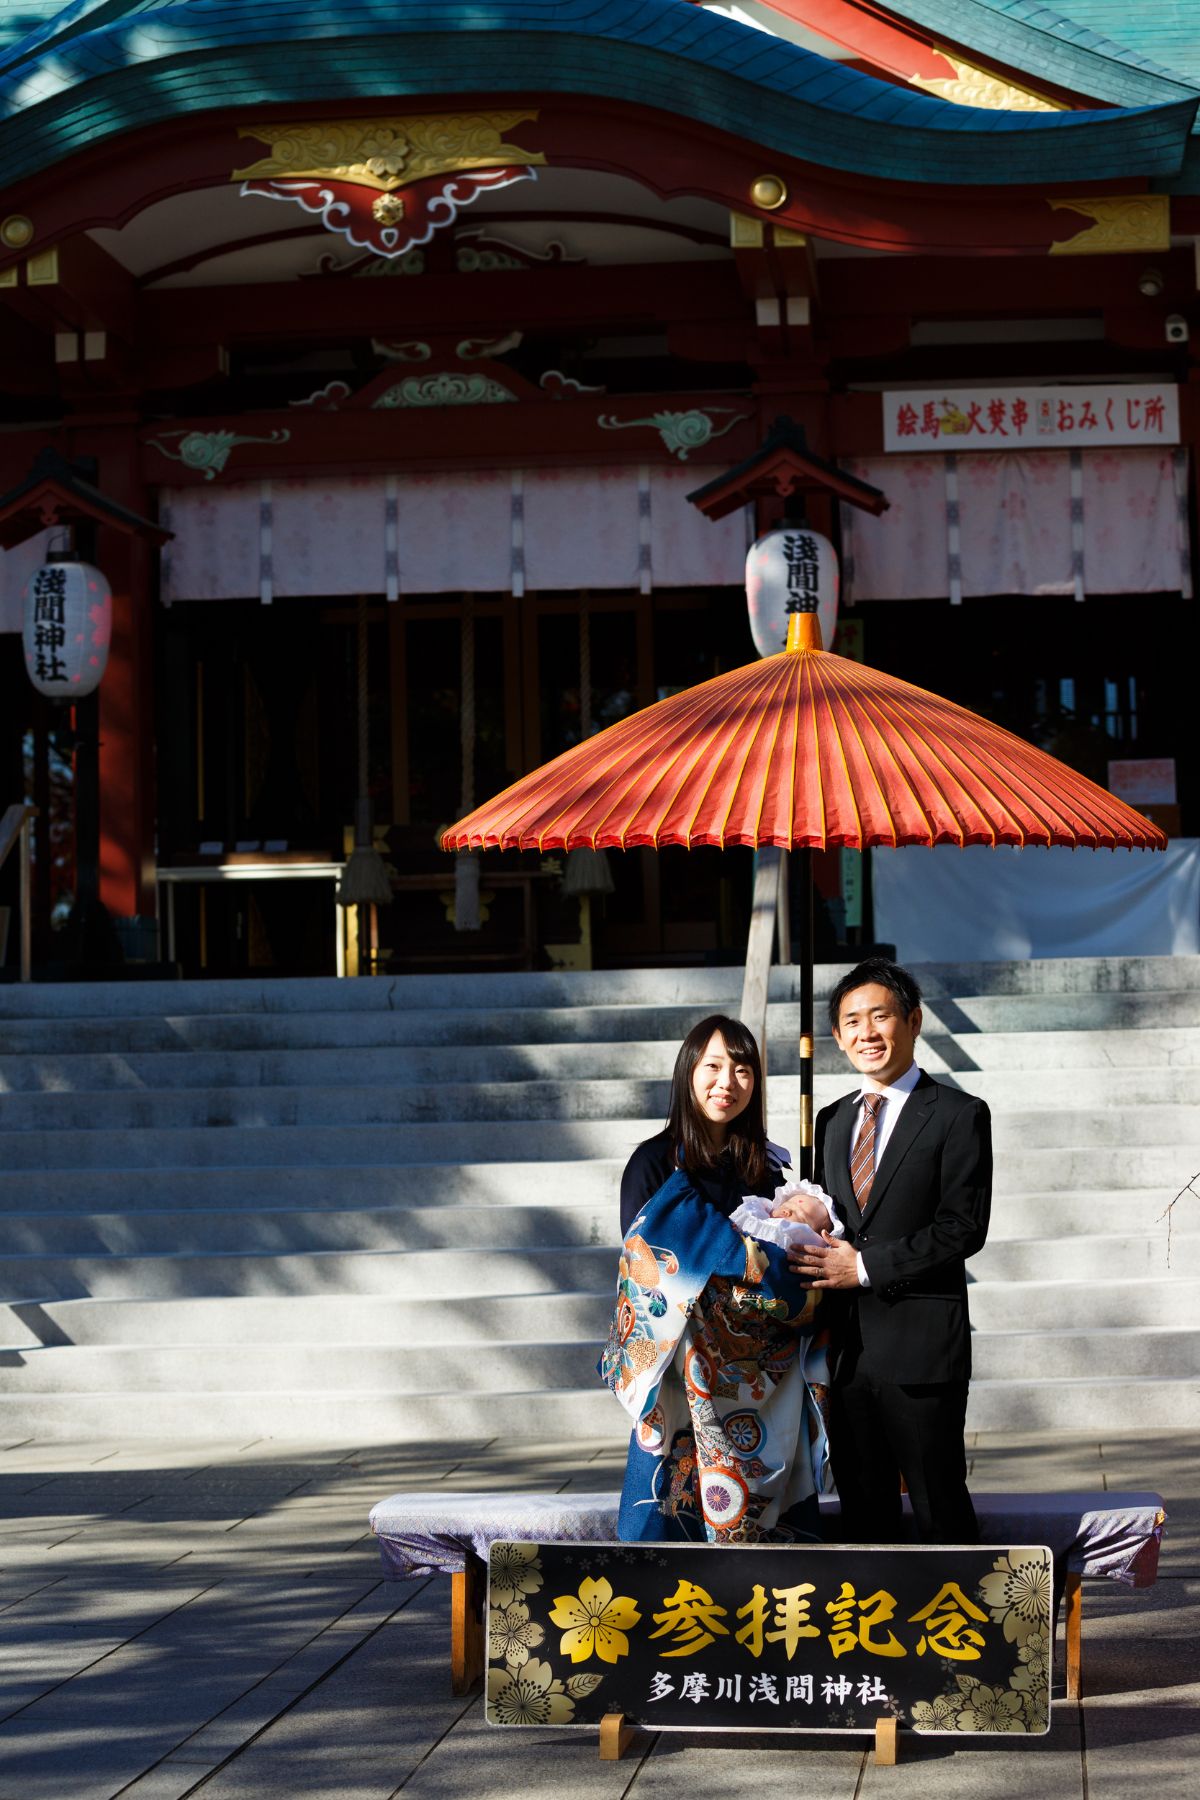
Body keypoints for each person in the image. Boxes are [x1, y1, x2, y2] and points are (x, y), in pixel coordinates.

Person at [603, 1014, 835, 1545]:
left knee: (771, 1520)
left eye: (742, 1069)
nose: (727, 1083)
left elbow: (797, 1264)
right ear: (688, 1072)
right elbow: (649, 1274)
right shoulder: (654, 1164)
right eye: (712, 1066)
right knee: (674, 1511)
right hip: (686, 1375)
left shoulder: (770, 1168)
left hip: (767, 1377)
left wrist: (763, 1270)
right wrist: (753, 1266)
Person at [788, 958, 991, 1545]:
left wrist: (865, 1266)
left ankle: (964, 1631)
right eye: (852, 1021)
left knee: (938, 1502)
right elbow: (829, 1214)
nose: (867, 1033)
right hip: (845, 1352)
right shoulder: (830, 1121)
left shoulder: (958, 1115)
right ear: (836, 1036)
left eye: (881, 1016)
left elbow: (962, 1227)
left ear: (914, 1021)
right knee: (862, 1508)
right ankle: (873, 1634)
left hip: (922, 1348)